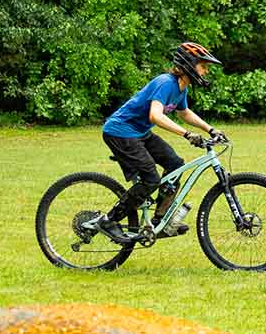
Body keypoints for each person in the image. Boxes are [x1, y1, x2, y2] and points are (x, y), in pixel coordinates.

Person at [95, 42, 226, 243]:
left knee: (175, 164)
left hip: (140, 132)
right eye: (203, 66)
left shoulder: (181, 88)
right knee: (151, 179)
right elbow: (155, 115)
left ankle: (160, 220)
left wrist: (210, 129)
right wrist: (187, 134)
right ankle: (108, 221)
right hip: (120, 131)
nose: (206, 71)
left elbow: (184, 113)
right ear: (189, 64)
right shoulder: (166, 83)